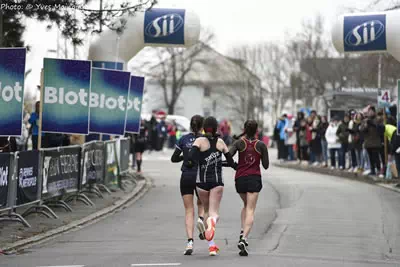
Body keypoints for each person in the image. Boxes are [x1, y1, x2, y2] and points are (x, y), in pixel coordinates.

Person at [188, 116, 237, 256]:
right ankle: (211, 222)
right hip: (216, 182)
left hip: (201, 183)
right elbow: (231, 161)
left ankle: (212, 246)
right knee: (214, 214)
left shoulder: (199, 141)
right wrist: (236, 167)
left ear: (204, 127)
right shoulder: (221, 142)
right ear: (216, 128)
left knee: (206, 210)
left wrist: (192, 163)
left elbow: (190, 158)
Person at [229, 120, 269, 256]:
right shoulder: (261, 145)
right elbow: (266, 165)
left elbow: (229, 156)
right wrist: (262, 154)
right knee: (251, 209)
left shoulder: (239, 143)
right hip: (254, 179)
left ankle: (242, 231)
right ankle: (244, 239)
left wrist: (236, 164)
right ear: (257, 130)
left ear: (244, 129)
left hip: (240, 178)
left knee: (246, 205)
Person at [170, 115, 206, 255]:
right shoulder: (205, 140)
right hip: (200, 176)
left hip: (186, 176)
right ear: (203, 127)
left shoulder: (183, 139)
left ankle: (190, 242)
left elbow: (173, 159)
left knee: (188, 210)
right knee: (201, 204)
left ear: (190, 126)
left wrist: (184, 157)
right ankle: (201, 219)